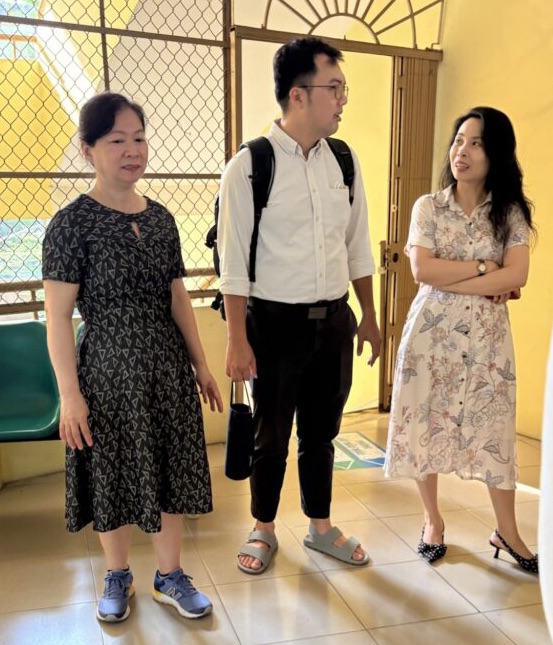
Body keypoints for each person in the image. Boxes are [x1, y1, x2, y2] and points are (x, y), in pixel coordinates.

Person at [42, 92, 223, 623]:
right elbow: (58, 318)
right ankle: (118, 574)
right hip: (106, 373)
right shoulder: (71, 224)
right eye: (116, 140)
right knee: (112, 472)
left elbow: (177, 296)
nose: (132, 150)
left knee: (170, 466)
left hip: (167, 367)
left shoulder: (162, 219)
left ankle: (170, 575)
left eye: (139, 138)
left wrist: (201, 364)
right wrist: (70, 395)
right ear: (88, 150)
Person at [218, 37, 381, 574]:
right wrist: (237, 339)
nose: (342, 99)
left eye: (343, 88)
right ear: (298, 94)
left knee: (321, 433)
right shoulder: (250, 166)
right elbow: (233, 263)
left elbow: (356, 245)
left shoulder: (344, 160)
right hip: (273, 325)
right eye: (334, 88)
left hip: (334, 321)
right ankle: (263, 528)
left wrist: (369, 316)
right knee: (270, 436)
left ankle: (320, 527)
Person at [384, 106, 538, 572]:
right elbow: (421, 270)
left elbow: (519, 275)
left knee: (494, 430)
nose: (462, 151)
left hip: (488, 345)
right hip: (430, 340)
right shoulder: (428, 207)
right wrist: (487, 270)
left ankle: (507, 531)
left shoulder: (510, 213)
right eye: (458, 140)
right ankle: (432, 522)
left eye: (476, 143)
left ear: (496, 154)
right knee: (425, 424)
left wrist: (458, 277)